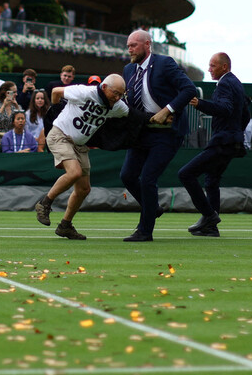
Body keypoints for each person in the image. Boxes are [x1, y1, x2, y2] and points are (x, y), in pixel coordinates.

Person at [118, 30, 196, 242]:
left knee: (148, 179)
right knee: (127, 176)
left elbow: (189, 89)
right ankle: (152, 207)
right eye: (128, 45)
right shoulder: (128, 70)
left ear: (147, 44)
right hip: (142, 131)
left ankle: (145, 231)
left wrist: (167, 110)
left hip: (167, 134)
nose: (130, 49)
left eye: (134, 45)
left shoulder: (164, 63)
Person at [35, 73, 128, 240]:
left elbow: (131, 114)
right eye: (115, 93)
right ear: (104, 87)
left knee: (84, 189)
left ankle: (65, 225)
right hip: (60, 135)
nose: (118, 97)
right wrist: (55, 111)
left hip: (79, 144)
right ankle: (45, 203)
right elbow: (56, 91)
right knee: (74, 172)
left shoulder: (117, 106)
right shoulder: (84, 92)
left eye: (121, 94)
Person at [177, 53, 247, 237]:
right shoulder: (236, 83)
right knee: (211, 181)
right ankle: (211, 228)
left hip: (222, 141)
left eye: (212, 66)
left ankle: (209, 216)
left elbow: (225, 109)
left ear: (224, 67)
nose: (209, 69)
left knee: (185, 173)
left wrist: (199, 103)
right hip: (232, 141)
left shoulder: (225, 83)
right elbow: (245, 114)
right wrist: (236, 133)